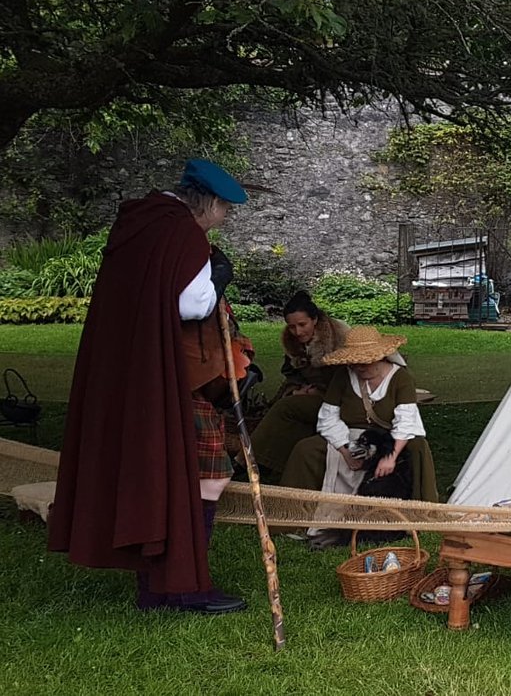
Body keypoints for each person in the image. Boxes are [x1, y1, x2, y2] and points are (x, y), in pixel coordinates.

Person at [48, 159, 252, 614]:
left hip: (134, 372)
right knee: (209, 475)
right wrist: (218, 276)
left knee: (162, 477)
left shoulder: (139, 225)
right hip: (171, 377)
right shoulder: (179, 232)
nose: (224, 220)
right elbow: (192, 303)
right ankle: (182, 586)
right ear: (211, 203)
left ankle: (159, 587)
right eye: (225, 210)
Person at [279, 326, 439, 548]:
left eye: (365, 362)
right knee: (306, 449)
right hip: (349, 434)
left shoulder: (400, 378)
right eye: (355, 363)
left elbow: (406, 422)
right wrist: (345, 451)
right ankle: (291, 518)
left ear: (380, 357)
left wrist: (390, 457)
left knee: (418, 447)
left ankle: (420, 516)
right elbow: (328, 416)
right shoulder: (344, 375)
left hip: (390, 438)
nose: (359, 368)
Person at [248, 292, 348, 474]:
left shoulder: (337, 337)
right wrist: (299, 388)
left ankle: (248, 459)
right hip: (312, 393)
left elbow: (348, 377)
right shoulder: (292, 341)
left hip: (339, 399)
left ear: (315, 319)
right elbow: (291, 373)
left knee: (285, 407)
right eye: (292, 327)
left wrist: (321, 392)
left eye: (302, 325)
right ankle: (271, 462)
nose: (298, 332)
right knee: (286, 407)